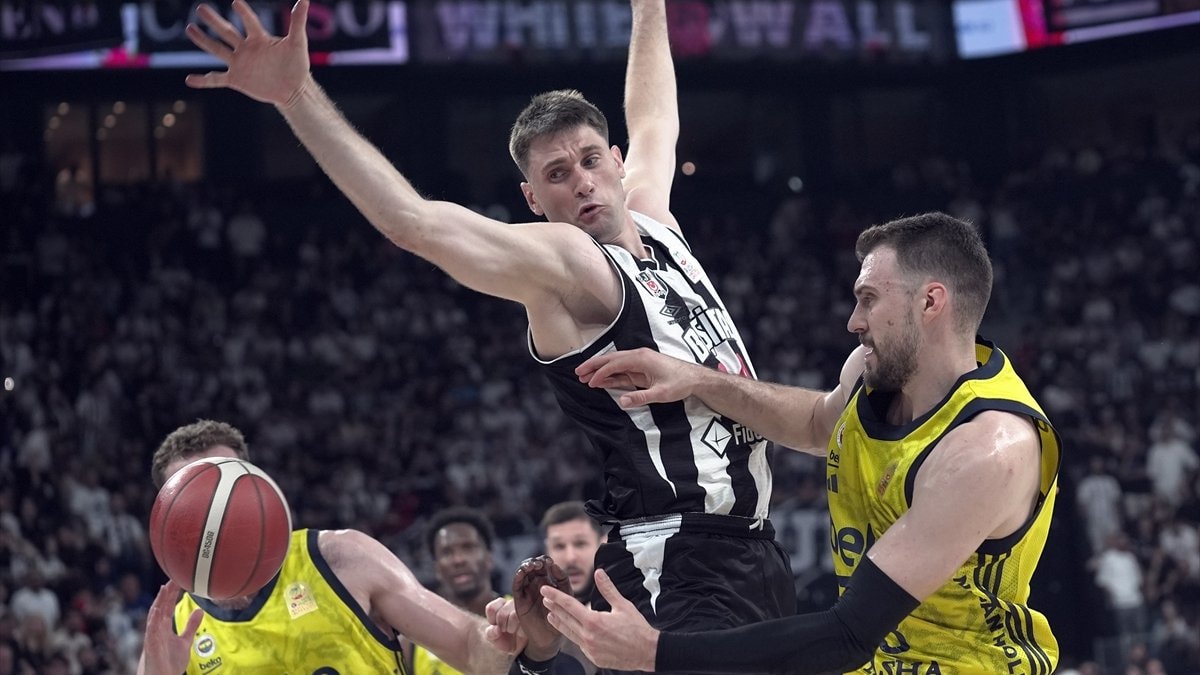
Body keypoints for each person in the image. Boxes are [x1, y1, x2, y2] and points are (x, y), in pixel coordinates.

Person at [183, 0, 796, 656]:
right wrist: (297, 96)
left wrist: (648, 8)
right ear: (533, 200)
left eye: (591, 160)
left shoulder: (656, 224)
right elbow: (413, 222)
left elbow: (654, 120)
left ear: (617, 162)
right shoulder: (569, 264)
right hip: (679, 563)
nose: (582, 183)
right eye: (557, 175)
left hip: (754, 547)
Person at [532, 213, 1063, 674]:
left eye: (869, 299)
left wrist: (655, 650)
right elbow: (814, 424)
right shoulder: (870, 375)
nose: (853, 321)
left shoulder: (988, 449)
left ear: (930, 301)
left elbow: (848, 635)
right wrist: (696, 379)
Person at [137, 420, 513, 675]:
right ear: (169, 519)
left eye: (222, 489)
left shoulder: (339, 558)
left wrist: (520, 641)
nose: (214, 512)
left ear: (255, 489)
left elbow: (468, 647)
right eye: (196, 498)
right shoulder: (174, 630)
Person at [410, 507, 503, 675]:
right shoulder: (414, 638)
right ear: (437, 568)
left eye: (468, 547)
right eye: (447, 552)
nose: (458, 560)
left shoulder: (523, 617)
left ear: (489, 558)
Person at [540, 502, 603, 603]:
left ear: (602, 545)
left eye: (580, 543)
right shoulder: (529, 607)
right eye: (559, 546)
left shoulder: (628, 601)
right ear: (547, 551)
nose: (570, 558)